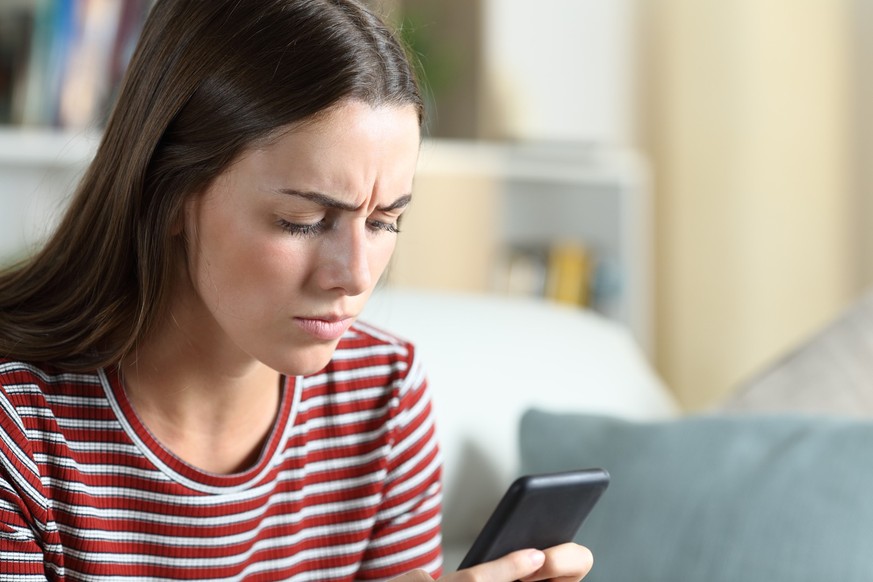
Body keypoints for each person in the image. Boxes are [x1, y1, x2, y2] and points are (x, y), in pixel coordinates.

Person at [0, 0, 594, 580]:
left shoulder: (382, 397)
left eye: (385, 220)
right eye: (304, 220)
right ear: (171, 193)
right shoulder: (20, 429)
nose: (357, 275)